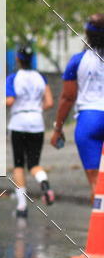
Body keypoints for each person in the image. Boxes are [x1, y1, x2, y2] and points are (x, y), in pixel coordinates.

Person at [51, 14, 104, 201]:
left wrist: (58, 128)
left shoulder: (77, 61)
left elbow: (67, 98)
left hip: (89, 120)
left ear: (87, 34)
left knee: (96, 182)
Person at [6, 44, 54, 216]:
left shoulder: (13, 78)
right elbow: (49, 103)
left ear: (18, 59)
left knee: (19, 164)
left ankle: (21, 206)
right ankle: (45, 184)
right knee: (34, 163)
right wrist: (36, 109)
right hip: (36, 122)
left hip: (19, 122)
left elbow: (10, 101)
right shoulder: (41, 78)